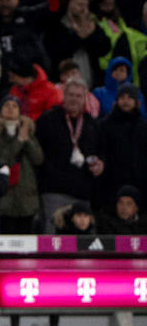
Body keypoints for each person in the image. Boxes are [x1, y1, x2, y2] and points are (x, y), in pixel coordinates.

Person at [35, 80, 104, 232]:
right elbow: (37, 155)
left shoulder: (92, 124)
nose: (74, 99)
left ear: (85, 98)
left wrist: (100, 164)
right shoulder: (47, 120)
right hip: (54, 191)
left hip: (82, 192)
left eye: (79, 96)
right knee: (53, 240)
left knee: (84, 241)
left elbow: (100, 152)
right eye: (71, 95)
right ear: (64, 95)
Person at [0, 96, 42, 234]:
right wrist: (19, 141)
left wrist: (27, 140)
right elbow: (1, 159)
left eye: (14, 106)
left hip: (26, 194)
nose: (10, 108)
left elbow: (38, 158)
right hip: (4, 194)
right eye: (7, 105)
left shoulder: (28, 130)